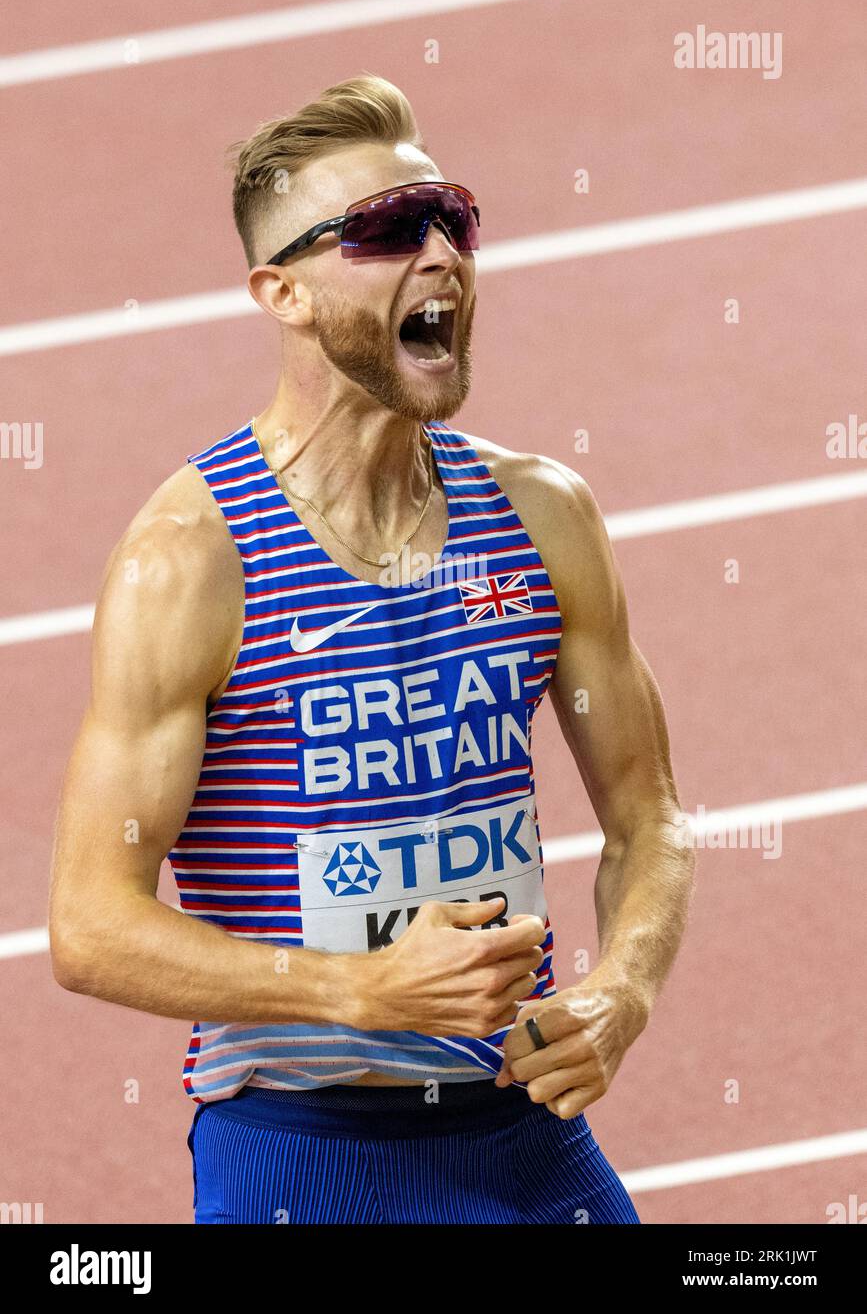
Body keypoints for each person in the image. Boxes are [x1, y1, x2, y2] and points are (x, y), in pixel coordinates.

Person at [49, 74, 695, 1225]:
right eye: (392, 230)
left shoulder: (544, 515)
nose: (442, 254)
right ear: (282, 292)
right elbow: (91, 925)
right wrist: (360, 988)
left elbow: (650, 815)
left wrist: (622, 991)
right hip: (302, 1153)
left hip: (522, 1133)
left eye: (454, 218)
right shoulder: (190, 562)